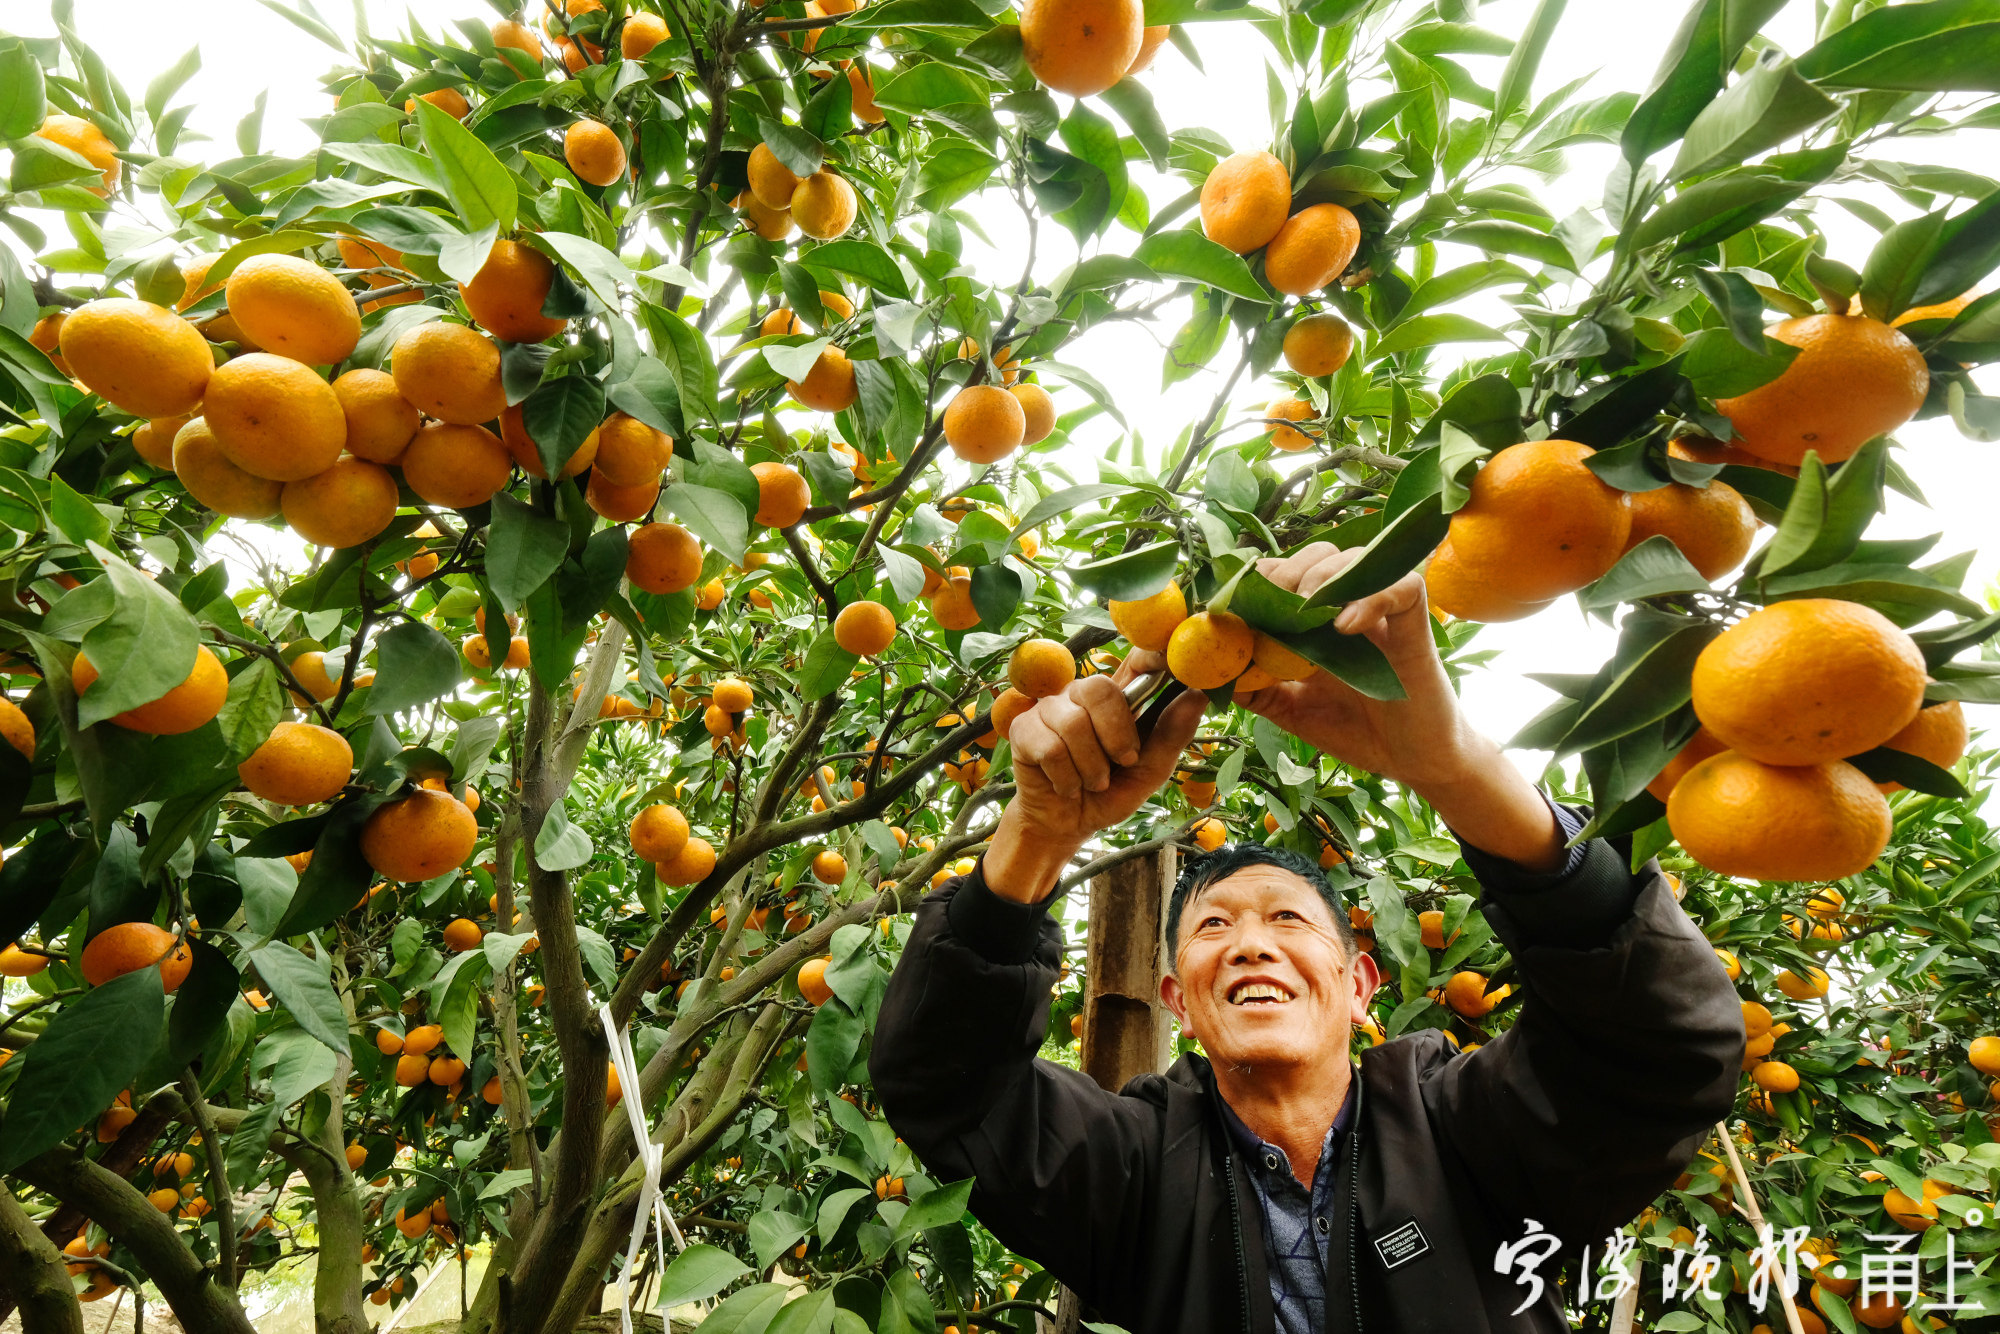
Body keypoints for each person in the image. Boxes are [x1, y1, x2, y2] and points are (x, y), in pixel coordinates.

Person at [870, 543, 1744, 1334]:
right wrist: (1039, 834)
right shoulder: (1135, 1171)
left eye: (1288, 920)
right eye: (1214, 927)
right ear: (1180, 1001)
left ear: (1361, 984)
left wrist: (1453, 769)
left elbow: (1661, 1051)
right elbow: (946, 1083)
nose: (1250, 946)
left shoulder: (1462, 1137)